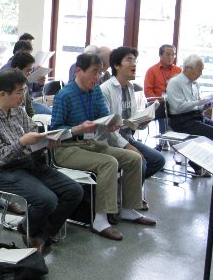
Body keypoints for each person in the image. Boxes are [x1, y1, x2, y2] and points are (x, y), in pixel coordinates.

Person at [49, 52, 156, 241]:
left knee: (134, 158)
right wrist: (78, 128)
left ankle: (128, 208)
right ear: (79, 71)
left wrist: (111, 123)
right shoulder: (64, 95)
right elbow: (55, 131)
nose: (97, 77)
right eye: (94, 72)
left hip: (89, 143)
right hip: (66, 148)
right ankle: (100, 220)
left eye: (100, 73)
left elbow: (105, 116)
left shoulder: (96, 91)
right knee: (108, 163)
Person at [0, 69, 83, 253]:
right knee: (47, 200)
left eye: (24, 90)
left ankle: (39, 233)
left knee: (74, 191)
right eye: (19, 92)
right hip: (4, 171)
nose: (23, 96)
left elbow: (33, 133)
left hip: (29, 163)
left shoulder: (18, 111)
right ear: (3, 94)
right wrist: (22, 142)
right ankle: (33, 231)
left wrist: (47, 141)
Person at [100, 47, 165, 209]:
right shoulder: (106, 89)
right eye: (129, 60)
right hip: (111, 140)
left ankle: (126, 191)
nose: (134, 64)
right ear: (117, 65)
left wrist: (143, 121)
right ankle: (129, 202)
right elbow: (108, 126)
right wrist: (128, 146)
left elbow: (131, 118)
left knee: (158, 160)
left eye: (135, 60)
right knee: (140, 161)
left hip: (128, 136)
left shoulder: (130, 87)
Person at [166, 54, 213, 176]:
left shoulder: (195, 84)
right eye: (199, 70)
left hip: (196, 117)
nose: (201, 73)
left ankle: (198, 163)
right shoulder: (175, 82)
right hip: (181, 121)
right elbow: (178, 107)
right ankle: (202, 164)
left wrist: (203, 106)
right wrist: (198, 103)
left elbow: (195, 106)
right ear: (187, 68)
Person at [144, 44, 181, 148]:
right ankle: (165, 140)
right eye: (168, 54)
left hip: (174, 103)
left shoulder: (178, 71)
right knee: (164, 109)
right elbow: (148, 92)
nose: (171, 57)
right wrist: (160, 100)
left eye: (173, 55)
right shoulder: (152, 70)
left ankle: (177, 139)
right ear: (160, 55)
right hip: (157, 103)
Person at [10, 52, 42, 117]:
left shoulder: (24, 86)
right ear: (17, 69)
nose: (29, 73)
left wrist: (33, 120)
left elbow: (29, 109)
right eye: (28, 70)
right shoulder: (7, 88)